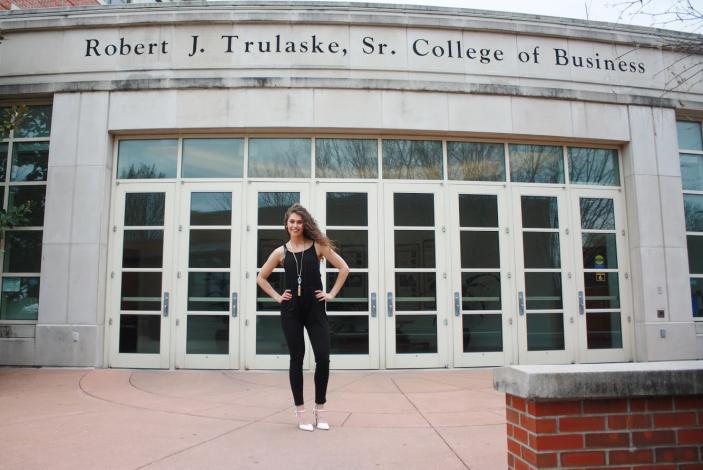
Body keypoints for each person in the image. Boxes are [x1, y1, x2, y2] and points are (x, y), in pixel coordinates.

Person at [256, 203, 350, 431]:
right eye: (291, 222)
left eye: (299, 221)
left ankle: (320, 409)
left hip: (315, 308)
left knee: (323, 358)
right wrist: (278, 297)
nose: (295, 225)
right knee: (296, 359)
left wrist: (331, 294)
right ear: (286, 225)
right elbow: (261, 277)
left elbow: (344, 268)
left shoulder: (317, 247)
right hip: (291, 311)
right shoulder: (280, 252)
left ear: (304, 224)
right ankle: (300, 412)